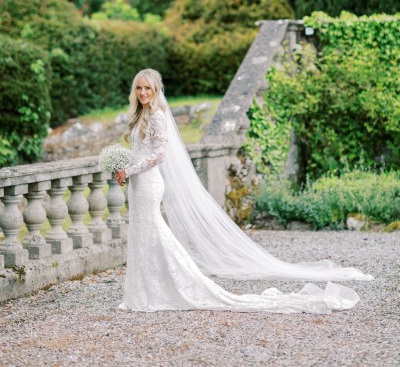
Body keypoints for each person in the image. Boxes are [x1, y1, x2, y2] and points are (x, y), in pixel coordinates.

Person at [115, 68, 373, 313]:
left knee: (154, 232)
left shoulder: (158, 116)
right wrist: (124, 169)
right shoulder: (140, 115)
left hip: (149, 183)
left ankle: (178, 283)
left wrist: (131, 170)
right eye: (139, 88)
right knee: (142, 235)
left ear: (156, 89)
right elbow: (142, 152)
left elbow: (159, 154)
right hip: (138, 183)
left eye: (147, 87)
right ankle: (142, 293)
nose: (143, 92)